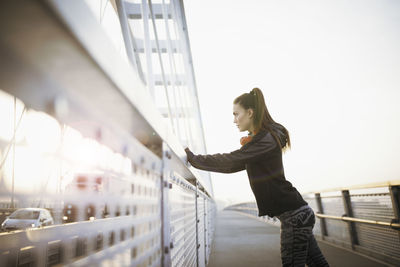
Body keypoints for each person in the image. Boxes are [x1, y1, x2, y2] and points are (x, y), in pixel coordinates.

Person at [184, 88, 329, 267]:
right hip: (298, 214)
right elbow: (232, 166)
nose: (234, 120)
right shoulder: (260, 142)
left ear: (250, 113)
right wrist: (198, 161)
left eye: (236, 114)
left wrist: (194, 158)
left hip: (295, 216)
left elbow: (231, 160)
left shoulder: (265, 140)